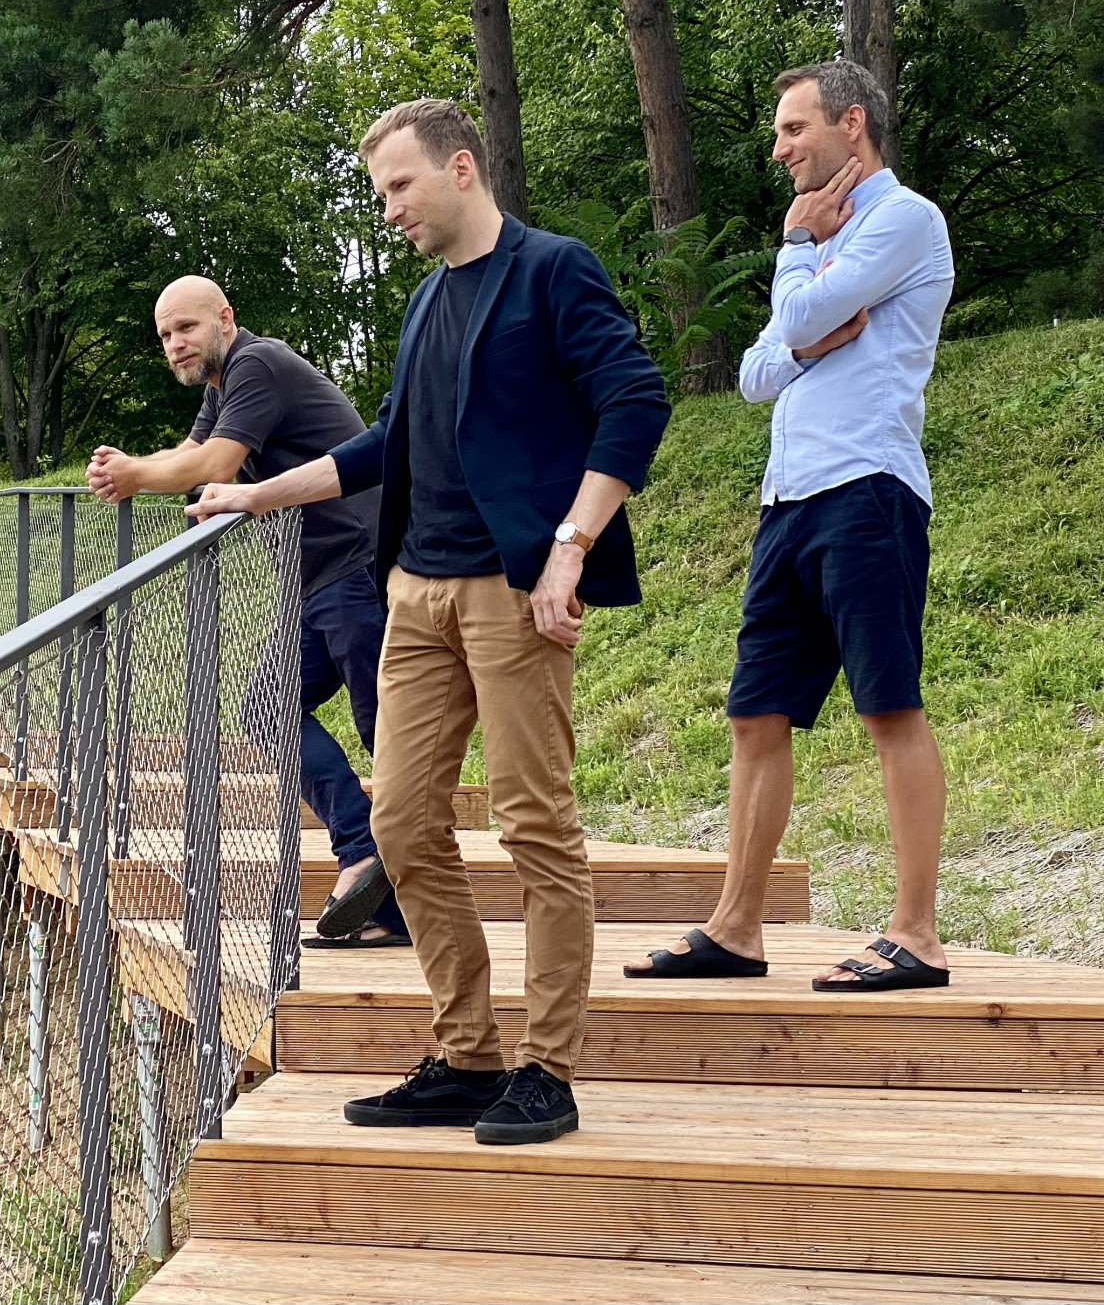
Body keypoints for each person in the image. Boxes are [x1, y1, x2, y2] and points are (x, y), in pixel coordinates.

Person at [190, 98, 669, 1144]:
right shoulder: (424, 304)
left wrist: (570, 547)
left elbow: (636, 401)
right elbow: (386, 445)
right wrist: (255, 494)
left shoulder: (552, 271)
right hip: (412, 590)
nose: (389, 208)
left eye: (399, 185)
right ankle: (467, 1053)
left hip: (513, 591)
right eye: (380, 193)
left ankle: (548, 1067)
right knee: (402, 823)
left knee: (535, 823)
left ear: (460, 167)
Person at [627, 60, 955, 992]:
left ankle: (918, 934)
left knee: (888, 706)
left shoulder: (904, 219)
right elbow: (755, 373)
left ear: (852, 125)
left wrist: (798, 255)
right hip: (789, 502)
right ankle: (736, 929)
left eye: (792, 128)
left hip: (869, 490)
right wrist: (809, 327)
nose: (778, 150)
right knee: (755, 714)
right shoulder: (827, 241)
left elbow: (801, 315)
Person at [86, 274, 408, 946]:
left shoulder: (257, 363)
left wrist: (133, 475)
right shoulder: (224, 386)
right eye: (165, 335)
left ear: (225, 319)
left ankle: (411, 898)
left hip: (357, 567)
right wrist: (136, 466)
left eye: (186, 327)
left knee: (388, 734)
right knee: (267, 706)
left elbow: (216, 464)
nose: (175, 344)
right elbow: (193, 456)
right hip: (318, 580)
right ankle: (364, 857)